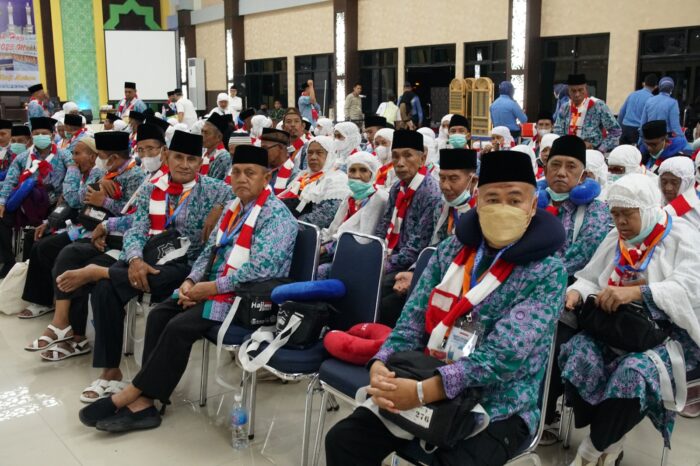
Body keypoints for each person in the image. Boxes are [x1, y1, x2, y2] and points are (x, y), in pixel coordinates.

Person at [325, 150, 567, 466]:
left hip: (498, 402)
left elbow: (503, 356)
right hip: (425, 372)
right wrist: (382, 363)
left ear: (533, 206)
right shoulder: (453, 249)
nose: (502, 208)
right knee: (344, 440)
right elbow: (412, 318)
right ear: (478, 200)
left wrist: (425, 392)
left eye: (515, 199)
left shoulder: (547, 272)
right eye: (492, 199)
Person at [78, 144, 297, 432]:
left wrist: (211, 287)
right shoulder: (233, 208)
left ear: (266, 178)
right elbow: (208, 252)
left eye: (250, 173)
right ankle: (146, 400)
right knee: (160, 314)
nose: (242, 178)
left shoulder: (277, 216)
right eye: (237, 172)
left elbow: (260, 269)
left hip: (249, 297)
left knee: (178, 326)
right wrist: (191, 281)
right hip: (214, 286)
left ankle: (134, 396)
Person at [59, 130, 231, 401]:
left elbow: (243, 197)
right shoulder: (152, 188)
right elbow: (138, 228)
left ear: (200, 162)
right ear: (167, 156)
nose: (185, 164)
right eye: (178, 157)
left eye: (192, 159)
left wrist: (220, 206)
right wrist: (135, 259)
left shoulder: (216, 189)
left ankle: (101, 272)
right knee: (104, 290)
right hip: (153, 257)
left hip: (191, 264)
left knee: (151, 276)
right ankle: (110, 371)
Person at [561, 174, 700, 466]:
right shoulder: (617, 238)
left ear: (647, 208)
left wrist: (640, 292)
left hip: (669, 335)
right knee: (578, 354)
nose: (621, 222)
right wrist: (575, 292)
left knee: (633, 375)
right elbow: (590, 277)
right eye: (615, 214)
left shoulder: (682, 236)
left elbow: (691, 288)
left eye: (628, 214)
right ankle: (610, 440)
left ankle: (589, 453)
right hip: (617, 329)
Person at [538, 135, 611, 442]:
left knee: (551, 338)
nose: (561, 172)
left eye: (571, 166)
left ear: (583, 175)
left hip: (571, 290)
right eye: (555, 165)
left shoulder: (596, 211)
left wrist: (538, 277)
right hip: (525, 285)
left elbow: (581, 256)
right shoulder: (531, 200)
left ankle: (541, 414)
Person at [18, 137, 104, 321]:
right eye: (72, 154)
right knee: (34, 237)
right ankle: (42, 295)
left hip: (89, 228)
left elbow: (73, 199)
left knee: (45, 247)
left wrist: (71, 170)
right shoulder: (84, 174)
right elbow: (67, 205)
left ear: (93, 157)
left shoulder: (98, 175)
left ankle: (43, 301)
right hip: (74, 223)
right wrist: (49, 222)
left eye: (77, 154)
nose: (73, 159)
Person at [375, 130, 441, 326]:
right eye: (395, 156)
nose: (400, 163)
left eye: (407, 155)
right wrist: (374, 253)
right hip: (390, 256)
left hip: (411, 265)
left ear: (423, 158)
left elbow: (417, 246)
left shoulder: (430, 193)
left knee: (374, 289)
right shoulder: (397, 188)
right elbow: (384, 226)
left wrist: (382, 264)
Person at [0, 117, 69, 277]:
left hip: (54, 202)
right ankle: (9, 261)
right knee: (1, 217)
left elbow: (73, 177)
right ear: (32, 137)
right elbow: (10, 181)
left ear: (52, 135)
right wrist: (2, 202)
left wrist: (64, 195)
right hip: (27, 203)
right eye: (36, 133)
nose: (40, 136)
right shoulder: (23, 157)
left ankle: (39, 269)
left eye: (44, 133)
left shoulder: (64, 155)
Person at [320, 151, 389, 256]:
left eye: (363, 170)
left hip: (358, 255)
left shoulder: (379, 199)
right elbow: (334, 228)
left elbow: (363, 239)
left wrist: (326, 249)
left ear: (372, 173)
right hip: (339, 249)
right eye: (352, 170)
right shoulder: (350, 197)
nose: (357, 175)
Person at [279, 135, 349, 228]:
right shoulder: (302, 176)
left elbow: (324, 216)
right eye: (310, 153)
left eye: (319, 153)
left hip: (304, 230)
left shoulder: (337, 180)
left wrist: (288, 226)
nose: (313, 157)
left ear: (330, 155)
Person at [553, 74, 621, 153]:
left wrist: (601, 149)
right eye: (573, 91)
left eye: (580, 90)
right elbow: (557, 131)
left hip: (592, 153)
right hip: (570, 152)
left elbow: (616, 131)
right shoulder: (565, 107)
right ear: (568, 91)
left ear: (586, 88)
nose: (577, 94)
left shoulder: (598, 105)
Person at [430, 148, 478, 245]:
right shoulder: (440, 206)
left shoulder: (480, 214)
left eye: (453, 179)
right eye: (442, 178)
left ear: (472, 181)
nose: (445, 186)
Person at [659, 156, 700, 229]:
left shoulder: (696, 214)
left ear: (687, 183)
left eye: (674, 183)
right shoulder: (655, 201)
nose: (668, 188)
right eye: (664, 182)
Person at [618, 74, 658, 144]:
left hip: (625, 128)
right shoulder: (652, 99)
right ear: (656, 86)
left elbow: (622, 112)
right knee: (636, 151)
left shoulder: (632, 95)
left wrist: (620, 127)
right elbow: (651, 118)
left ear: (643, 84)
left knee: (623, 150)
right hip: (637, 131)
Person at [260, 127, 297, 195]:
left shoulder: (294, 175)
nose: (262, 153)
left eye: (265, 148)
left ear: (280, 148)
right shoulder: (262, 170)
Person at [199, 113, 232, 181]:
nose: (202, 136)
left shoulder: (225, 158)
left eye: (206, 133)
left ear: (219, 137)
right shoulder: (202, 152)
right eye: (202, 131)